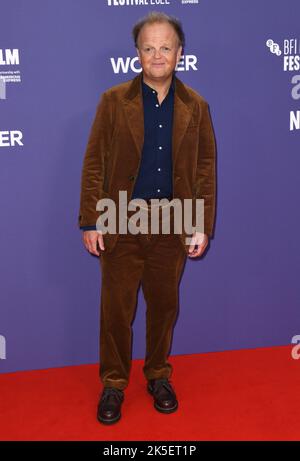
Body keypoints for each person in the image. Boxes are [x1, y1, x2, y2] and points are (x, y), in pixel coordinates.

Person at [78, 11, 216, 425]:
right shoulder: (112, 101)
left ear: (179, 53)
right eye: (149, 48)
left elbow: (205, 168)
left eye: (165, 47)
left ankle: (158, 375)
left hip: (174, 219)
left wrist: (201, 224)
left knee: (163, 308)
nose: (158, 55)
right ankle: (114, 383)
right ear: (138, 54)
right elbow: (94, 163)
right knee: (116, 310)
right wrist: (91, 219)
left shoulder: (197, 106)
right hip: (120, 218)